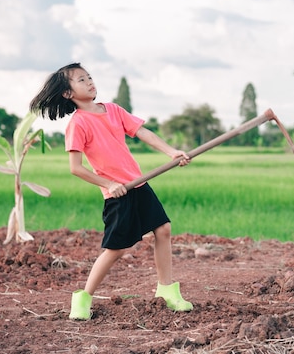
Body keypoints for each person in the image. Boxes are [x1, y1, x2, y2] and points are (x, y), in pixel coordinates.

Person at [30, 63, 194, 320]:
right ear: (67, 93)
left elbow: (143, 133)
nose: (90, 82)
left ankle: (166, 290)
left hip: (138, 183)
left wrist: (171, 152)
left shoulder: (114, 110)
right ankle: (83, 298)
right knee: (116, 249)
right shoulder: (79, 124)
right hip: (117, 194)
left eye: (90, 77)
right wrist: (108, 184)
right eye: (81, 80)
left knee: (163, 230)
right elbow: (76, 168)